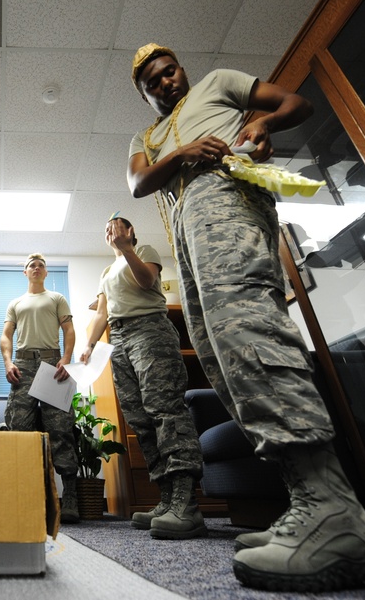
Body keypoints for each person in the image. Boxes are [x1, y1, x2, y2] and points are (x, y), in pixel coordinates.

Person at [126, 43, 365, 592]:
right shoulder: (146, 138)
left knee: (247, 331)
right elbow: (137, 182)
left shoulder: (219, 83)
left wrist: (262, 125)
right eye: (152, 83)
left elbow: (297, 104)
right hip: (185, 224)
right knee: (221, 355)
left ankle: (333, 509)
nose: (165, 84)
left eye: (169, 72)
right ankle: (306, 502)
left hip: (227, 197)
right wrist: (180, 156)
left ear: (183, 69)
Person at [80, 216, 204, 539]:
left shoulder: (144, 249)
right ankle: (167, 498)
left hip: (149, 331)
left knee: (163, 408)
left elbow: (148, 282)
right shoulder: (106, 273)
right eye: (106, 229)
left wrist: (126, 250)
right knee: (140, 417)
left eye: (116, 227)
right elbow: (101, 313)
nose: (110, 232)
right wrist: (90, 344)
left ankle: (186, 502)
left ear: (130, 231)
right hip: (118, 341)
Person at [0, 254, 79, 523]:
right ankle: (28, 496)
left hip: (52, 364)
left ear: (45, 272)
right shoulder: (16, 303)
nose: (36, 268)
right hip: (23, 365)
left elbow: (69, 329)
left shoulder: (56, 298)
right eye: (31, 265)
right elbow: (6, 336)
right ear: (25, 273)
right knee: (20, 431)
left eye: (41, 265)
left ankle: (69, 497)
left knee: (60, 430)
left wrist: (67, 358)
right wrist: (8, 362)